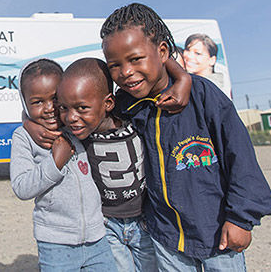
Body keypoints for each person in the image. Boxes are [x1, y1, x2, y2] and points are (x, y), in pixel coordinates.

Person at [100, 3, 271, 270]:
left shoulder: (203, 96)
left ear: (162, 52)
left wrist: (241, 219)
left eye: (135, 59)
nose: (125, 72)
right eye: (115, 65)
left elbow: (240, 157)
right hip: (166, 237)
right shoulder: (127, 105)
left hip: (218, 235)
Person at [24, 58, 190, 272]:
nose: (72, 116)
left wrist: (183, 77)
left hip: (145, 218)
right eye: (65, 107)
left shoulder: (127, 110)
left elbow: (159, 62)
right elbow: (41, 112)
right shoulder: (79, 131)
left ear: (108, 104)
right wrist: (28, 123)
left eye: (82, 107)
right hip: (107, 224)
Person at [9, 58, 117, 272]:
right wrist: (55, 162)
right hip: (55, 242)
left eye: (55, 99)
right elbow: (21, 187)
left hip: (98, 237)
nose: (49, 109)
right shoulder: (23, 137)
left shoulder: (77, 125)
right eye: (37, 102)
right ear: (25, 104)